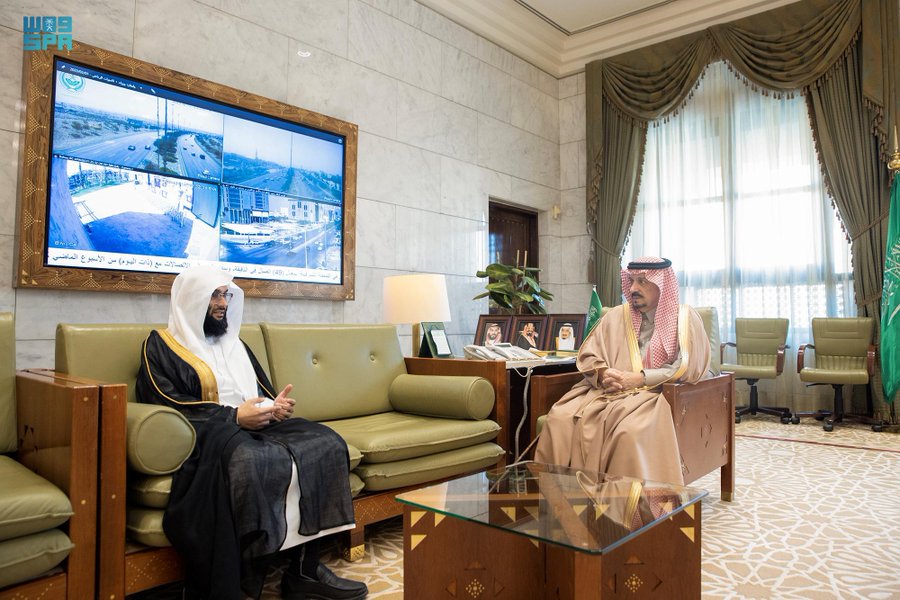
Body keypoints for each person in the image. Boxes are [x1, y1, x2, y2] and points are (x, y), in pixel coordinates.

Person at [136, 265, 368, 600]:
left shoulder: (236, 343)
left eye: (225, 295)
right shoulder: (160, 345)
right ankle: (244, 575)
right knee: (250, 458)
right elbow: (167, 402)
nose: (222, 303)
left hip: (257, 426)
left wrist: (275, 407)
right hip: (210, 434)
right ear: (191, 299)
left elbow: (262, 391)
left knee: (325, 442)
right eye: (214, 295)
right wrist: (233, 417)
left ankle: (305, 570)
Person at [535, 257, 710, 485]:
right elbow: (590, 354)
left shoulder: (685, 319)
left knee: (628, 432)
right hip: (604, 390)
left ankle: (627, 502)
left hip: (655, 394)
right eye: (631, 281)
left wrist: (640, 379)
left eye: (642, 281)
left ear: (662, 284)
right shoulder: (615, 316)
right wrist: (603, 373)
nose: (634, 288)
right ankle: (559, 495)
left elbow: (687, 366)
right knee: (560, 418)